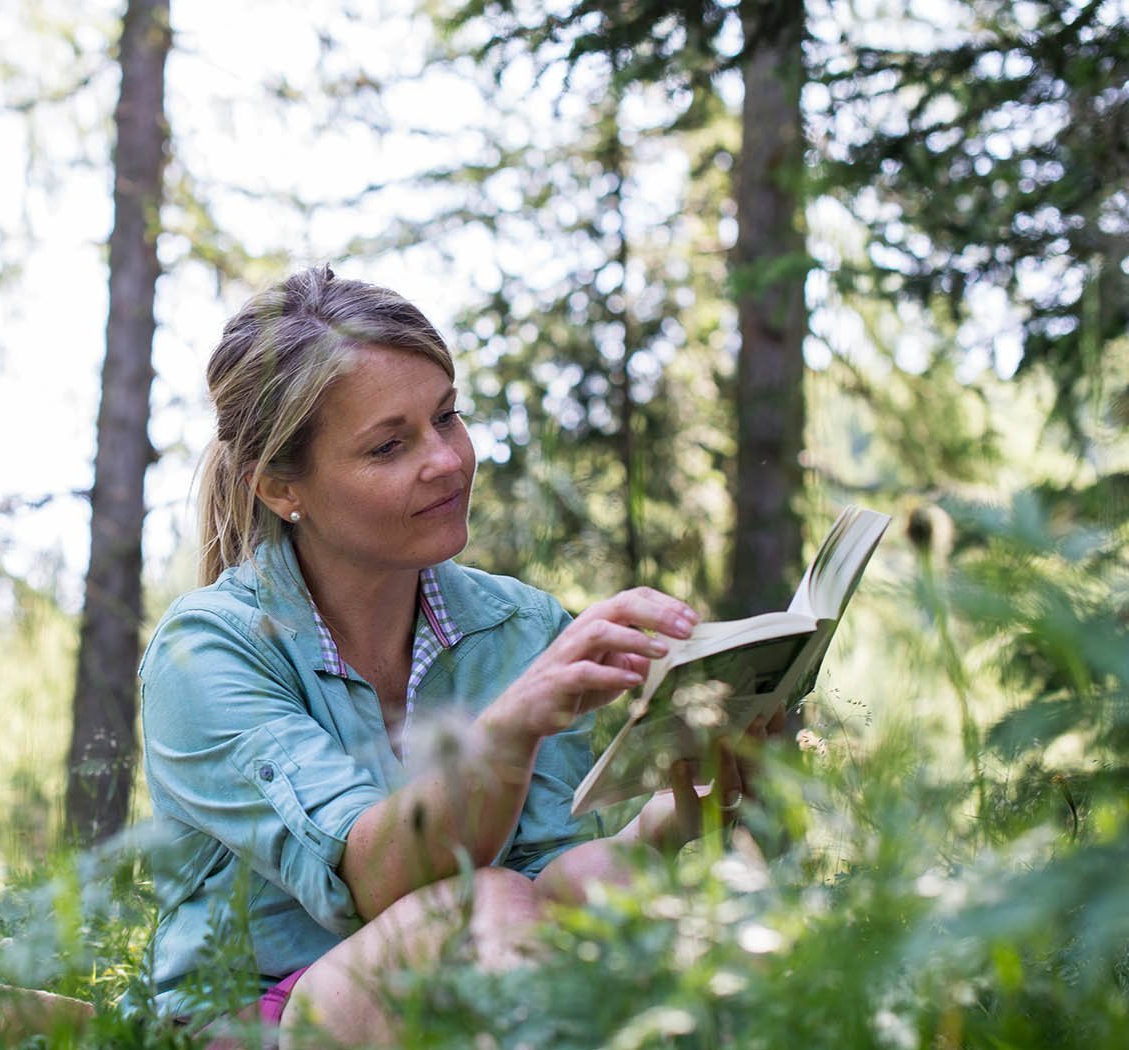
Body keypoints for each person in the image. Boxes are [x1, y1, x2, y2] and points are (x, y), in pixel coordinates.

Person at [140, 266, 766, 1048]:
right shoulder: (205, 653)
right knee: (483, 900)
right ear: (279, 489)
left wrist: (671, 819)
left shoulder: (519, 625)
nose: (446, 460)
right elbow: (380, 883)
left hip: (478, 987)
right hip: (258, 1021)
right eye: (389, 445)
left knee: (595, 879)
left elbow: (552, 874)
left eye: (448, 417)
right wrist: (506, 733)